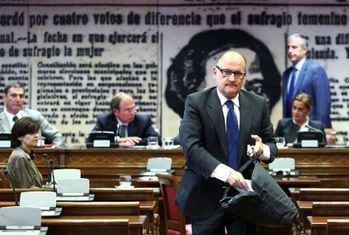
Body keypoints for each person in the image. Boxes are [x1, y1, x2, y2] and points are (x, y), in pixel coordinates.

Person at [176, 50, 277, 234]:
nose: (232, 78)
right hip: (206, 196)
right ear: (215, 73)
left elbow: (271, 145)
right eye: (226, 72)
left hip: (244, 197)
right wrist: (227, 174)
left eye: (238, 73)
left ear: (244, 77)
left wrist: (263, 151)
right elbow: (192, 148)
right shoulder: (196, 102)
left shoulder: (258, 104)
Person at [283, 33, 331, 128]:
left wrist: (319, 131)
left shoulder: (316, 71)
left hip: (310, 129)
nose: (289, 51)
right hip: (290, 129)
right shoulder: (287, 74)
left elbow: (323, 107)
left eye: (294, 47)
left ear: (305, 50)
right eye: (288, 47)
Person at [0, 82, 64, 147]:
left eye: (21, 96)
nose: (18, 99)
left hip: (34, 156)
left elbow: (57, 137)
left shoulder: (35, 117)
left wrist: (53, 151)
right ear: (4, 97)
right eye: (14, 96)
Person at [89, 92, 160, 146]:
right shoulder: (104, 120)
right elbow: (91, 141)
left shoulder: (143, 120)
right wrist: (119, 141)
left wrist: (130, 142)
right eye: (127, 110)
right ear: (115, 111)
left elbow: (157, 140)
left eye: (133, 108)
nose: (132, 113)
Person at [5, 117, 43, 188]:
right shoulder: (19, 157)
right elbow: (26, 188)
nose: (36, 136)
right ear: (19, 137)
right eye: (31, 133)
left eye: (36, 132)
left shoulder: (25, 154)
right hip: (26, 198)